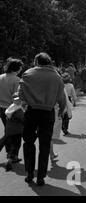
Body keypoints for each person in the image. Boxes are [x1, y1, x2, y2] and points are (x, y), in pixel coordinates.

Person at [18, 52, 67, 186]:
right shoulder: (57, 77)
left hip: (31, 112)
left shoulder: (27, 74)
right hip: (47, 113)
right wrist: (61, 112)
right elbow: (62, 98)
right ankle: (41, 177)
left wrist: (25, 106)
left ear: (36, 61)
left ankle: (29, 173)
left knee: (28, 143)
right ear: (49, 62)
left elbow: (20, 95)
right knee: (45, 145)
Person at [0, 58, 23, 166]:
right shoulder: (17, 80)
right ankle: (13, 155)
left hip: (1, 108)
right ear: (17, 68)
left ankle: (10, 154)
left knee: (8, 131)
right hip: (12, 109)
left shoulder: (1, 77)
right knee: (16, 133)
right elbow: (16, 97)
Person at [0, 94, 24, 171]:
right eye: (18, 100)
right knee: (16, 145)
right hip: (17, 130)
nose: (18, 101)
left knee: (4, 141)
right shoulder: (19, 110)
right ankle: (10, 160)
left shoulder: (11, 107)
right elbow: (22, 119)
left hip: (9, 129)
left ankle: (13, 158)